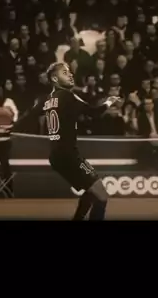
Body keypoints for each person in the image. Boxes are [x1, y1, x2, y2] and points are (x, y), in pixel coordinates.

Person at [44, 61, 119, 221]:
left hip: (56, 156)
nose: (70, 75)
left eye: (70, 72)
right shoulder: (67, 95)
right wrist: (109, 101)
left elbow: (31, 116)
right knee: (102, 195)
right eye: (65, 72)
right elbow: (93, 112)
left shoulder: (49, 99)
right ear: (54, 78)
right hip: (70, 155)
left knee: (91, 192)